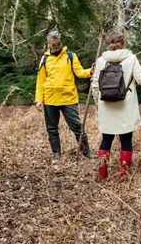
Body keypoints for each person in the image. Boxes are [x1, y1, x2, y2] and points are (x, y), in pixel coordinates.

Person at [90, 32, 141, 180]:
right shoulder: (131, 58)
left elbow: (95, 84)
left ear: (109, 44)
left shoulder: (101, 60)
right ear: (124, 43)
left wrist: (98, 104)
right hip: (125, 107)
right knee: (126, 140)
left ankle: (102, 174)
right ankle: (124, 176)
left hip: (107, 106)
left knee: (106, 140)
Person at [35, 30, 96, 161]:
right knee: (52, 129)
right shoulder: (45, 59)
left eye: (57, 43)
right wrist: (39, 99)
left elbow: (79, 72)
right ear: (49, 43)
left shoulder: (70, 55)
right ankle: (56, 154)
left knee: (76, 126)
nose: (55, 46)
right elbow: (40, 80)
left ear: (60, 42)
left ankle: (86, 151)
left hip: (68, 97)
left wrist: (90, 71)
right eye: (52, 44)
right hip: (50, 98)